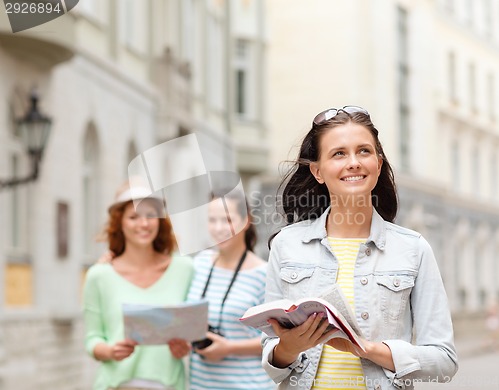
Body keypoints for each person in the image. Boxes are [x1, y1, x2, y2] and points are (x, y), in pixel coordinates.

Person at [262, 106, 458, 390]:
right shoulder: (286, 245)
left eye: (364, 151)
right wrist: (287, 349)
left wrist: (366, 348)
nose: (353, 162)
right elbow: (272, 361)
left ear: (378, 165)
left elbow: (444, 362)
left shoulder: (413, 249)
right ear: (317, 171)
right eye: (339, 153)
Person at [83, 183, 194, 390]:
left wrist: (185, 347)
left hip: (169, 384)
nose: (143, 224)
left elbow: (194, 328)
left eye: (150, 215)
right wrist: (109, 351)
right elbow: (92, 338)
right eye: (133, 217)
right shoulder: (99, 276)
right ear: (120, 222)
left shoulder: (185, 270)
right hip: (114, 385)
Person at [186, 191, 276, 390]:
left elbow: (277, 338)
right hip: (200, 385)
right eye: (212, 220)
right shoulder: (199, 263)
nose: (219, 228)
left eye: (227, 220)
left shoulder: (264, 274)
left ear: (246, 220)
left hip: (248, 385)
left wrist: (229, 348)